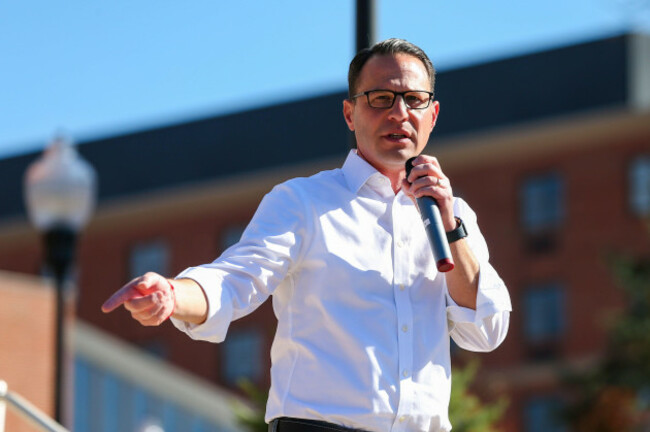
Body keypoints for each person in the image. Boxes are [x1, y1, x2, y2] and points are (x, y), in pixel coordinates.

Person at [102, 38, 512, 432]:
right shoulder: (304, 201)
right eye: (381, 98)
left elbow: (486, 331)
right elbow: (235, 279)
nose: (399, 112)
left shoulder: (452, 214)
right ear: (350, 114)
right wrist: (174, 295)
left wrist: (450, 227)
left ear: (433, 114)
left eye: (413, 99)